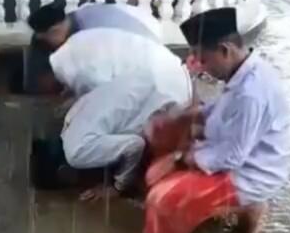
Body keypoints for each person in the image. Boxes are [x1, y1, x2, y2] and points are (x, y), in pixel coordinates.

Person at [142, 7, 290, 233]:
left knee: (161, 199)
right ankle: (207, 206)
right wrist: (180, 118)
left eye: (203, 59)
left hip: (249, 171)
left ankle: (247, 207)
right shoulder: (244, 70)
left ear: (225, 51)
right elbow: (220, 110)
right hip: (231, 151)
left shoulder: (251, 93)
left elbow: (232, 157)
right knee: (166, 136)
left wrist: (180, 159)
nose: (201, 67)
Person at [41, 27, 193, 201]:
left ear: (63, 173)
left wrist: (117, 187)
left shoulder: (76, 154)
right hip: (157, 76)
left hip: (170, 100)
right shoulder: (69, 121)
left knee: (152, 179)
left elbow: (134, 145)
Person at [25, 2, 162, 94]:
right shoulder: (70, 23)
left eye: (46, 38)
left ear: (55, 31)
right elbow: (36, 83)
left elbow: (100, 85)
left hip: (145, 66)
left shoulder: (90, 36)